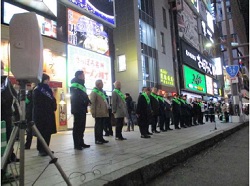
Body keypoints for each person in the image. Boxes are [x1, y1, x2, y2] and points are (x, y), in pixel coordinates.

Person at [33, 74, 57, 156]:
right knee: (41, 132)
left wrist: (53, 106)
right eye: (47, 80)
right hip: (41, 115)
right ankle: (41, 149)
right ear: (43, 80)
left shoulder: (49, 90)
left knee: (47, 132)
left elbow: (53, 100)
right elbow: (37, 103)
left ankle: (46, 148)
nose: (48, 82)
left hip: (49, 115)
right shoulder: (37, 90)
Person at [70, 70, 91, 150]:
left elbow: (84, 96)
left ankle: (81, 142)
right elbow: (77, 97)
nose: (84, 76)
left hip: (82, 108)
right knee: (77, 127)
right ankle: (77, 144)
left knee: (82, 127)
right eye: (82, 75)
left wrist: (88, 101)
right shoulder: (74, 85)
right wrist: (85, 102)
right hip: (77, 108)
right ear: (78, 76)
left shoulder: (82, 85)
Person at [90, 80, 109, 145]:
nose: (103, 84)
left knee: (101, 126)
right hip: (98, 112)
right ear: (98, 84)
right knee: (98, 126)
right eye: (102, 83)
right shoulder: (94, 92)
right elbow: (92, 103)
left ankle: (101, 138)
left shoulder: (101, 92)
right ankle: (97, 139)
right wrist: (93, 112)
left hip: (102, 112)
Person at [25, 83, 35, 149]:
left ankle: (27, 145)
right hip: (33, 114)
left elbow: (26, 102)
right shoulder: (35, 92)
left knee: (29, 130)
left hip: (30, 114)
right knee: (30, 130)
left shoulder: (30, 93)